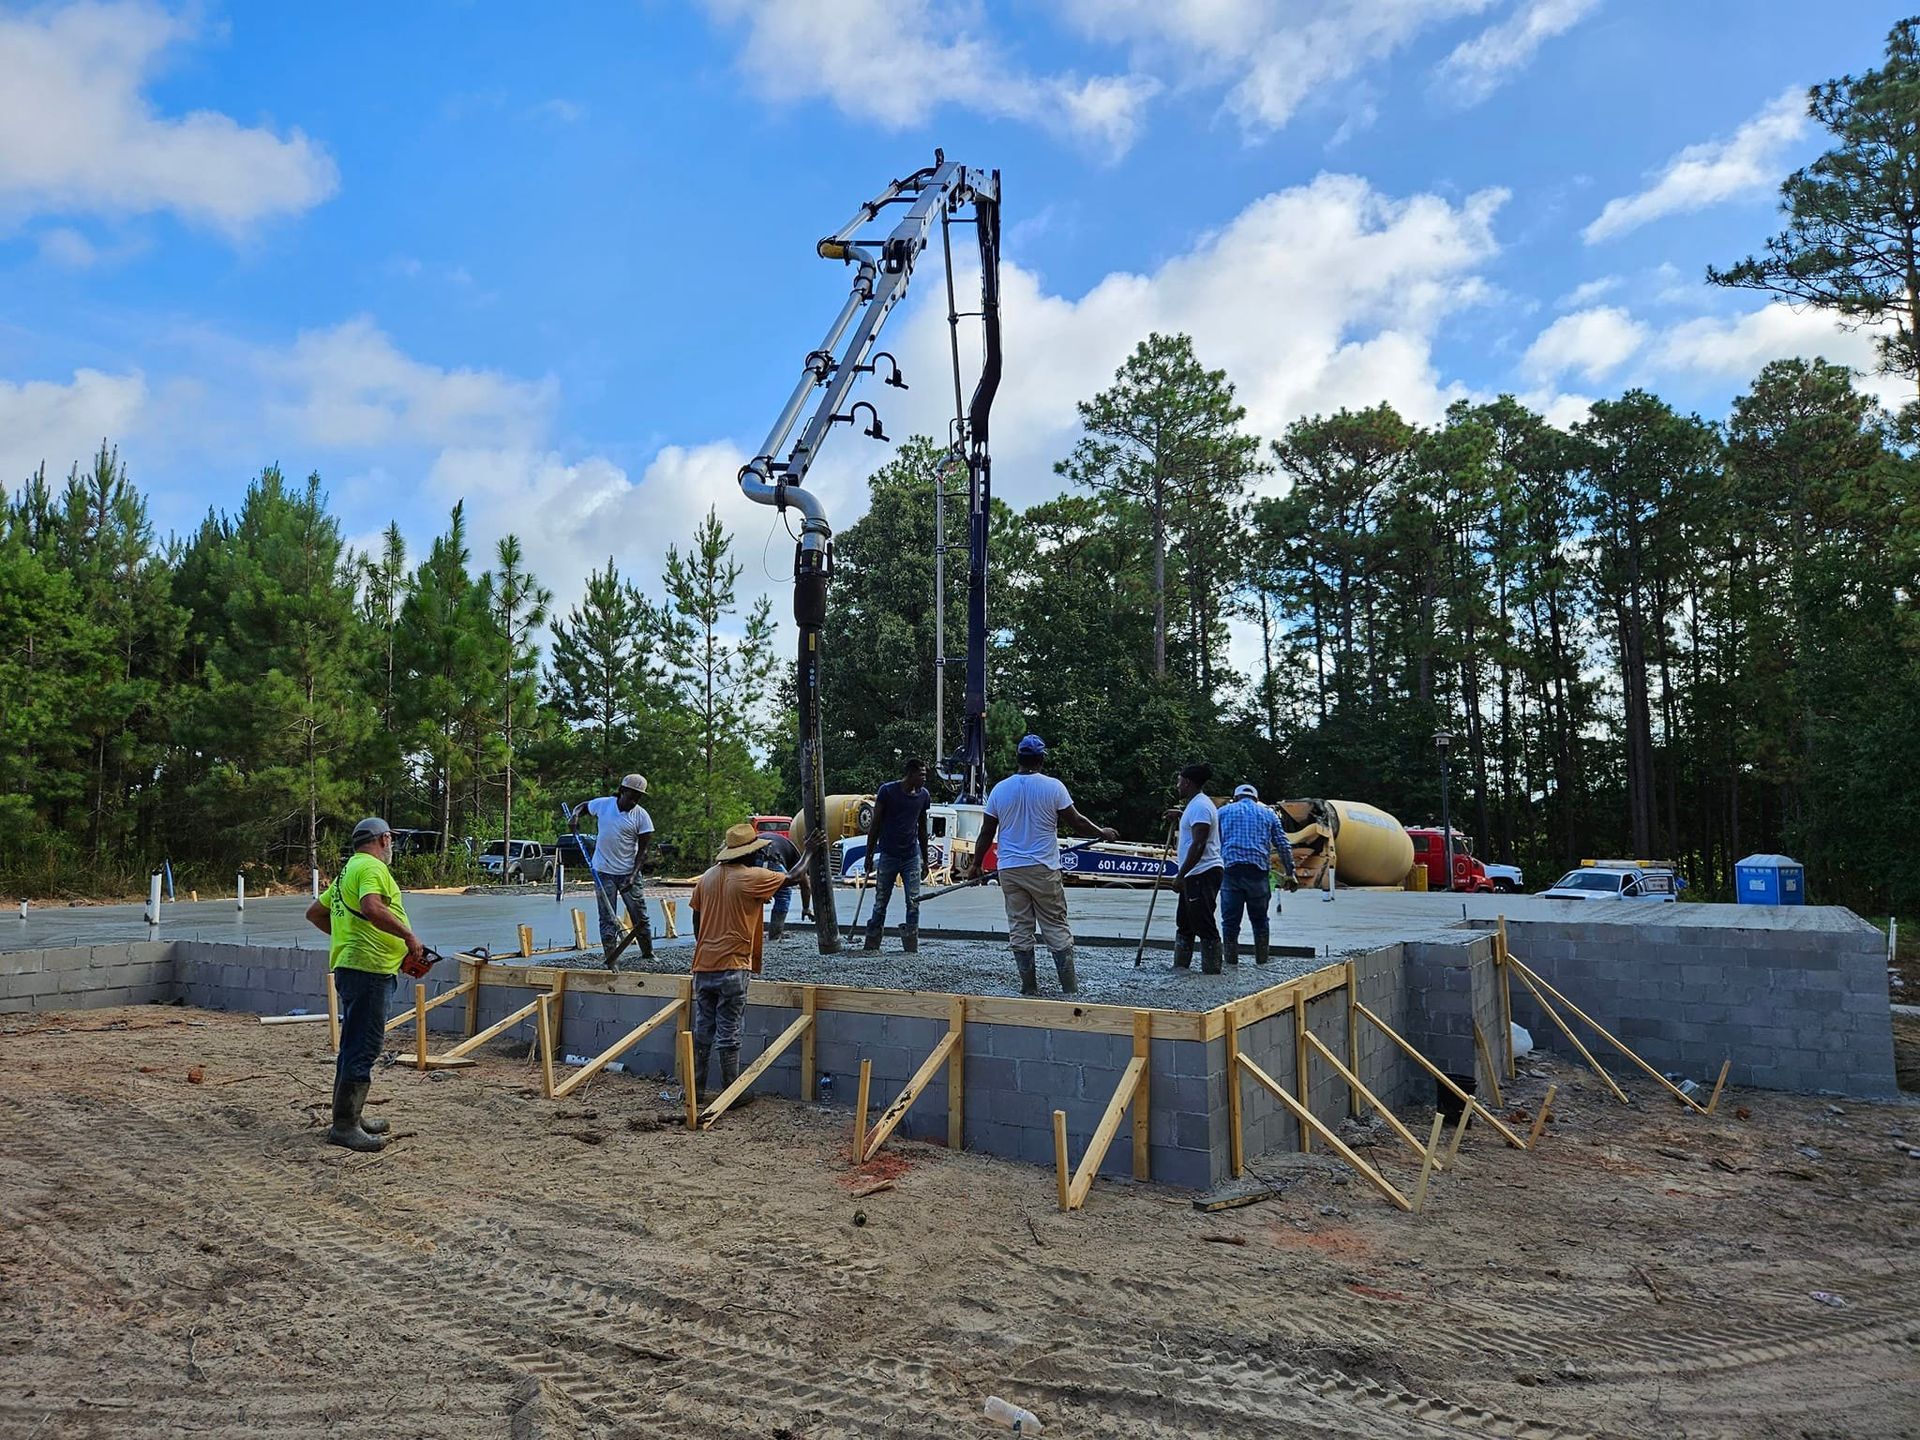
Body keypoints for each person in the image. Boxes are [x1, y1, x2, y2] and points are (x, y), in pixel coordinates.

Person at [304, 817, 430, 1153]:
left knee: (353, 1044)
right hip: (369, 972)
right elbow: (371, 907)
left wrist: (352, 939)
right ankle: (344, 1126)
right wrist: (407, 935)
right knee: (364, 1047)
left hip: (355, 968)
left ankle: (348, 1117)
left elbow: (316, 913)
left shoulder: (350, 869)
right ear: (384, 839)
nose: (393, 847)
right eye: (392, 841)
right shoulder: (373, 870)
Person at [687, 822, 822, 1104]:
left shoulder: (707, 878)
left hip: (703, 966)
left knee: (703, 1029)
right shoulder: (750, 877)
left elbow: (697, 919)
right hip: (733, 965)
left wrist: (707, 944)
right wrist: (809, 852)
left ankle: (695, 1091)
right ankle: (731, 1093)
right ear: (747, 854)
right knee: (729, 1030)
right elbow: (794, 877)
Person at [973, 734, 1118, 996]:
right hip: (1042, 868)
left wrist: (975, 864)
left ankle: (1028, 987)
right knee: (1055, 925)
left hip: (1010, 870)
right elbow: (1076, 821)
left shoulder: (1000, 790)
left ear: (1018, 758)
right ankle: (1069, 989)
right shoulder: (1053, 787)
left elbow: (986, 833)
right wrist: (1101, 832)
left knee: (1020, 927)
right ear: (1041, 760)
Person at [569, 774, 654, 965]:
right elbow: (582, 806)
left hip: (628, 873)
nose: (634, 801)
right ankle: (610, 957)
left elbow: (643, 851)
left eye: (638, 797)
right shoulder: (604, 804)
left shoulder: (642, 816)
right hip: (603, 871)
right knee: (607, 917)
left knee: (639, 915)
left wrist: (632, 877)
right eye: (632, 795)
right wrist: (574, 816)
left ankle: (648, 954)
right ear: (622, 791)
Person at [1216, 783, 1298, 966]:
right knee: (1260, 920)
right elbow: (1283, 845)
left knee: (1230, 922)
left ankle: (1230, 963)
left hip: (1230, 872)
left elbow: (1211, 842)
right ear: (1256, 798)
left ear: (1235, 797)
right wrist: (1290, 872)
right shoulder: (1268, 814)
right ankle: (1262, 961)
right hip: (1258, 873)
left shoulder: (1222, 812)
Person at [862, 758, 932, 953]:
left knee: (913, 902)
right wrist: (869, 855)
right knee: (881, 901)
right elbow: (875, 824)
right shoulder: (887, 791)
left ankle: (911, 944)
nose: (924, 779)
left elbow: (922, 829)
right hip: (889, 854)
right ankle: (872, 942)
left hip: (910, 855)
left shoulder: (923, 796)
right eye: (921, 774)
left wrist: (925, 860)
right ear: (910, 774)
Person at [1165, 763, 1224, 974]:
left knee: (1203, 922)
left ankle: (1212, 971)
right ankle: (1180, 968)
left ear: (1187, 782)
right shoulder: (1195, 805)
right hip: (1194, 873)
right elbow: (1195, 825)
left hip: (1202, 873)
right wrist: (1180, 815)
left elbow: (1199, 843)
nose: (1177, 785)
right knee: (1185, 923)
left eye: (1179, 781)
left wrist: (1180, 875)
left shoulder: (1200, 806)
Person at [757, 828, 813, 941]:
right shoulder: (797, 857)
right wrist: (806, 908)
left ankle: (752, 932)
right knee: (784, 894)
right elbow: (805, 884)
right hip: (772, 859)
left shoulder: (782, 845)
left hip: (753, 857)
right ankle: (775, 935)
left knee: (751, 894)